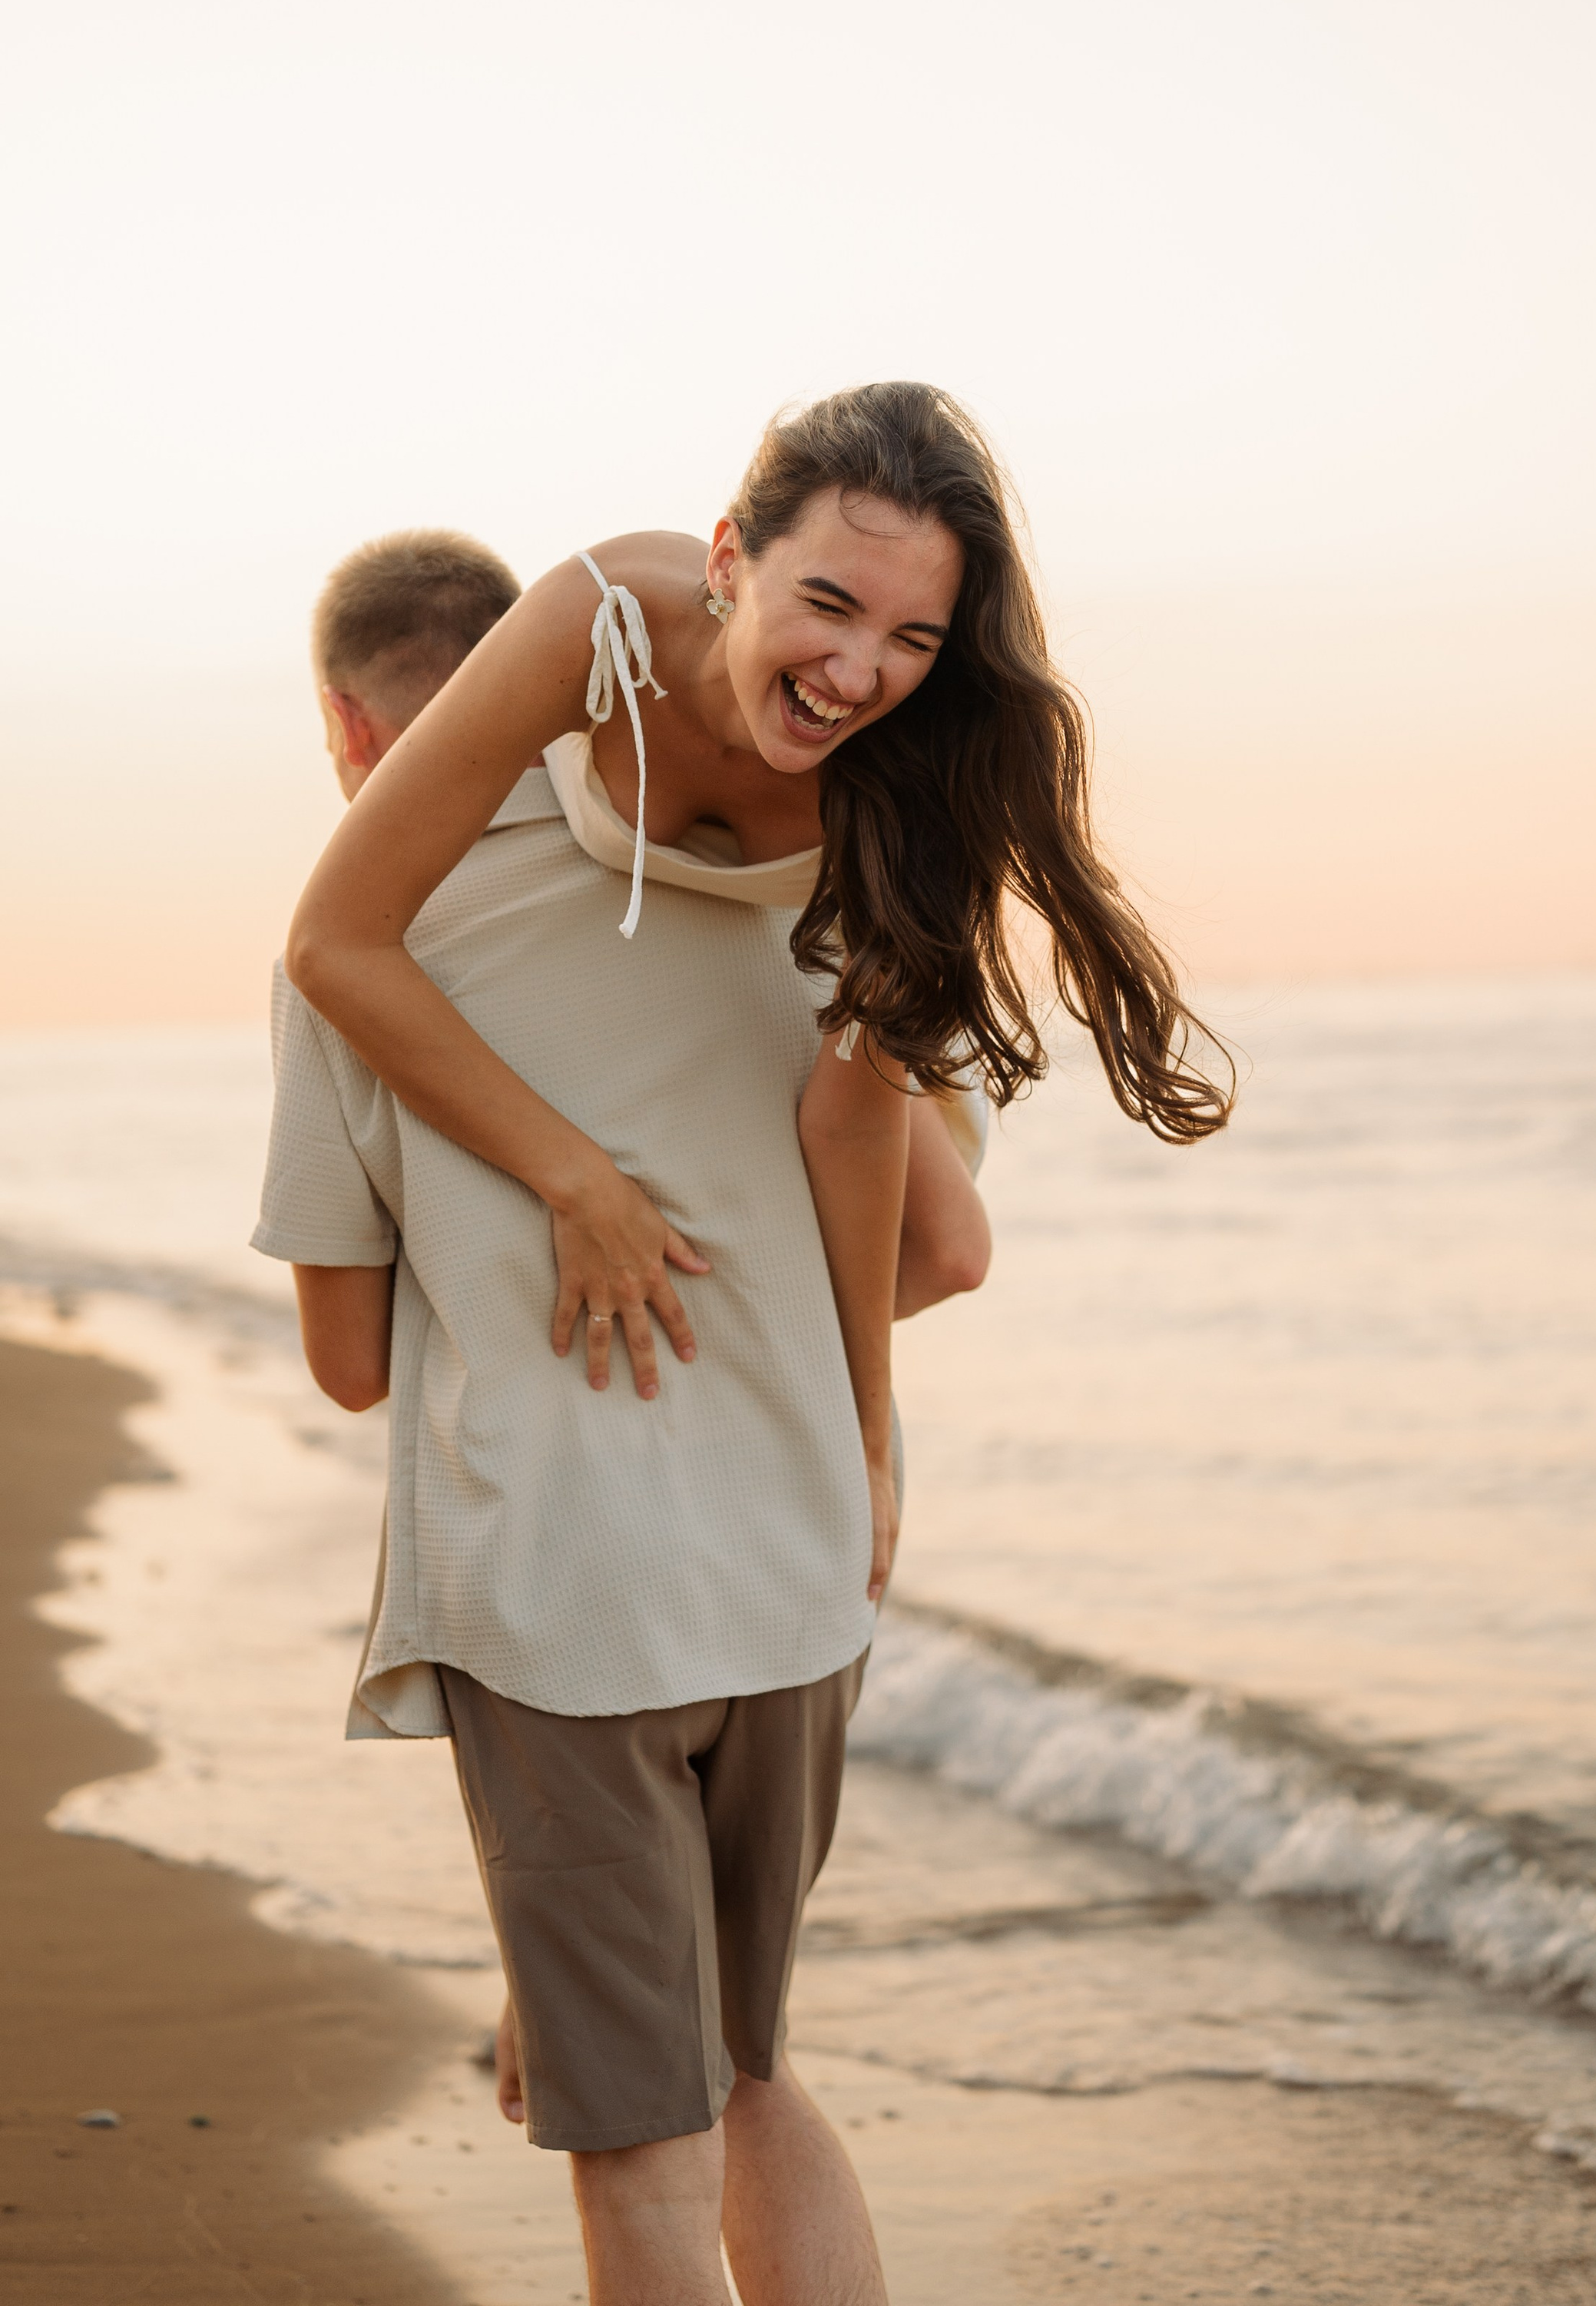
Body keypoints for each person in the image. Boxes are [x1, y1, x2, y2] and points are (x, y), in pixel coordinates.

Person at [285, 386, 1232, 2304]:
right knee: (739, 2071)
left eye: (913, 638)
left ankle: (574, 1972)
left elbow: (853, 1121)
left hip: (669, 1556)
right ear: (725, 554)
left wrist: (867, 1443)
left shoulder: (904, 793)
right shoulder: (597, 619)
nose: (863, 669)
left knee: (665, 2128)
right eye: (828, 604)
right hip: (714, 1557)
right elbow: (347, 933)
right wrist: (573, 1184)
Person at [306, 525, 991, 1309]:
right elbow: (949, 1252)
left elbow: (350, 1369)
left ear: (346, 720)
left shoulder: (378, 942)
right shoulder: (694, 842)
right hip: (782, 1366)